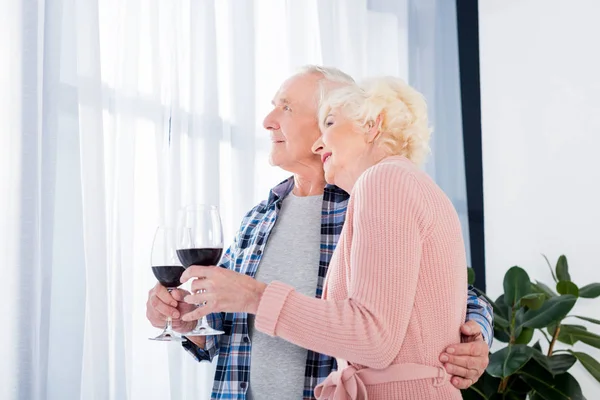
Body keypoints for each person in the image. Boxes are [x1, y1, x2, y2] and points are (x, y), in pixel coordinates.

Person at [146, 66, 493, 400]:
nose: (268, 121)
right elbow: (226, 320)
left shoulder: (370, 194)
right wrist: (184, 318)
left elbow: (452, 295)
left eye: (286, 107)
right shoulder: (258, 217)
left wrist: (476, 335)